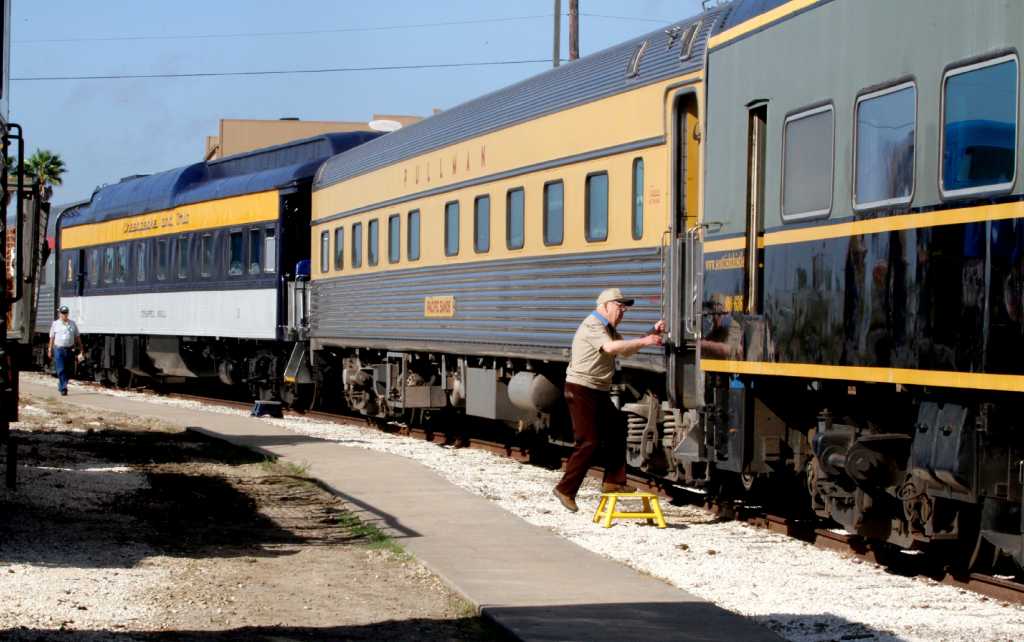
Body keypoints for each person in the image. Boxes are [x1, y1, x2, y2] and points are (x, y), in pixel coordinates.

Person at [552, 288, 665, 513]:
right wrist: (647, 341)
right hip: (581, 388)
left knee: (617, 425)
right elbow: (612, 348)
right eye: (619, 307)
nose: (622, 312)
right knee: (588, 441)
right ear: (604, 305)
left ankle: (613, 481)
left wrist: (650, 332)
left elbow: (625, 352)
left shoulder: (608, 329)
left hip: (596, 390)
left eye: (625, 308)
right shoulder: (593, 325)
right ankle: (565, 489)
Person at [48, 305, 84, 396]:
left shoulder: (72, 324)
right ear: (59, 314)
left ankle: (61, 384)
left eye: (66, 313)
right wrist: (49, 349)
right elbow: (52, 338)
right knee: (61, 368)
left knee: (68, 369)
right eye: (63, 313)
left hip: (70, 349)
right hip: (58, 349)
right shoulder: (55, 324)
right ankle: (64, 387)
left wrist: (81, 348)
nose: (64, 315)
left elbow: (77, 337)